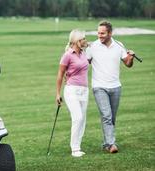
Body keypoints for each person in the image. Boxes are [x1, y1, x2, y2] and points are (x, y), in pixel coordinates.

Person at [86, 20, 135, 153]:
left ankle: (106, 143)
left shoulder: (119, 46)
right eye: (98, 33)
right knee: (106, 115)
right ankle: (112, 144)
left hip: (115, 87)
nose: (100, 35)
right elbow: (84, 64)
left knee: (111, 117)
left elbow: (128, 64)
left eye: (103, 33)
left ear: (110, 33)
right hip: (99, 86)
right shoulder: (92, 46)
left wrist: (131, 57)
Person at [56, 29, 89, 157]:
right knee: (78, 118)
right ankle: (74, 149)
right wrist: (57, 94)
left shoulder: (84, 53)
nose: (85, 41)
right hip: (72, 90)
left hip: (84, 90)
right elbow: (60, 75)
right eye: (83, 39)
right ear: (77, 41)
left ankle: (78, 146)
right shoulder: (68, 55)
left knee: (83, 120)